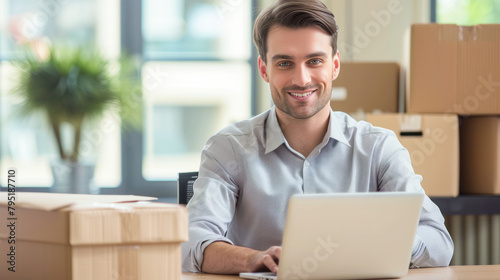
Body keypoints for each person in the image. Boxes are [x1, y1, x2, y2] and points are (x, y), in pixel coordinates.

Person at [181, 0, 454, 274]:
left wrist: (389, 242)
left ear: (334, 65)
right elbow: (190, 242)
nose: (301, 79)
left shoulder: (379, 148)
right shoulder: (228, 148)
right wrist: (253, 259)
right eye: (285, 63)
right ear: (264, 70)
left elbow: (439, 243)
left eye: (314, 61)